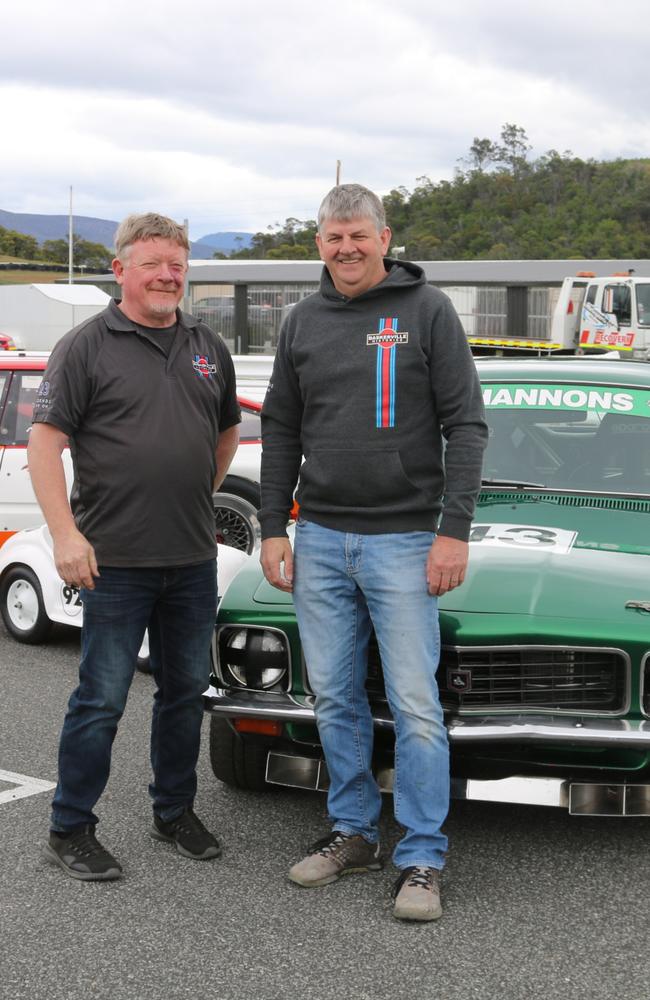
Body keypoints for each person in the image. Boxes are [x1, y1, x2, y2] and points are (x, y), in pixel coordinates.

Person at [259, 184, 487, 921]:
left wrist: (454, 530)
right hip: (320, 538)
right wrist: (272, 527)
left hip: (407, 539)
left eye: (359, 235)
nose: (346, 249)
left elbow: (468, 427)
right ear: (318, 245)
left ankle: (421, 856)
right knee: (334, 696)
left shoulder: (428, 312)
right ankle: (354, 832)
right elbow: (282, 433)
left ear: (385, 238)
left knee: (417, 705)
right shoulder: (301, 322)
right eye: (333, 238)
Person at [28, 212, 241, 881]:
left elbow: (226, 432)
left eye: (177, 264)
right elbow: (45, 443)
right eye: (153, 263)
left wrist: (193, 496)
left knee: (184, 693)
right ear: (120, 270)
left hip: (190, 560)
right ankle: (70, 827)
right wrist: (65, 534)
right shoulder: (86, 346)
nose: (168, 275)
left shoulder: (209, 345)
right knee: (101, 698)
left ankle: (173, 810)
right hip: (113, 561)